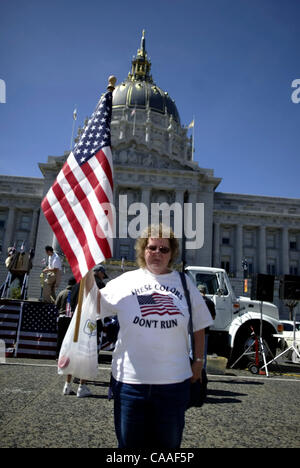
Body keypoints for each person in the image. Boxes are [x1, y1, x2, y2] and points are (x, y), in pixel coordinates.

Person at [86, 224, 213, 448]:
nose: (157, 253)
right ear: (143, 250)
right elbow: (93, 307)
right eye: (152, 247)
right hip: (130, 384)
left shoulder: (185, 283)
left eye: (164, 249)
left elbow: (199, 326)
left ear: (172, 253)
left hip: (173, 383)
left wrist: (199, 362)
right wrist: (85, 274)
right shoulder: (126, 281)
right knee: (129, 448)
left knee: (168, 447)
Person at [55, 276, 92, 398]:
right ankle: (82, 386)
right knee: (84, 353)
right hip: (85, 320)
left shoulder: (75, 288)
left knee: (71, 352)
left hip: (73, 319)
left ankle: (67, 385)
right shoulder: (89, 287)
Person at [197, 284, 216, 369]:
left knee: (191, 351)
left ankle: (191, 372)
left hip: (194, 329)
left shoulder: (194, 300)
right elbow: (213, 317)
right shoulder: (210, 302)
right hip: (205, 330)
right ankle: (202, 372)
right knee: (203, 353)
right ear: (205, 292)